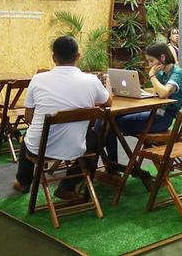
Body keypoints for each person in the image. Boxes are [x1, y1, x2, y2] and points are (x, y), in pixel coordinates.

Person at [13, 36, 111, 200]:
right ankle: (67, 186)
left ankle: (23, 182)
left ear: (53, 57)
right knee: (96, 142)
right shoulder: (92, 80)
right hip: (76, 146)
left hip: (39, 147)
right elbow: (108, 102)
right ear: (78, 56)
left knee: (29, 137)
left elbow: (28, 118)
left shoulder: (37, 79)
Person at [103, 43, 182, 164]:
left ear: (162, 57)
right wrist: (138, 90)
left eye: (151, 61)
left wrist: (152, 75)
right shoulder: (162, 73)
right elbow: (156, 92)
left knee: (111, 124)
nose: (150, 65)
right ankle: (112, 164)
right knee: (112, 117)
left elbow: (163, 93)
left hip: (163, 119)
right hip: (155, 113)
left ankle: (112, 165)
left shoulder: (177, 73)